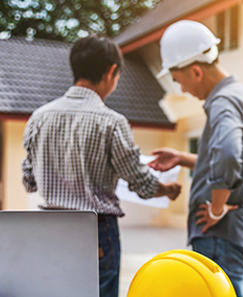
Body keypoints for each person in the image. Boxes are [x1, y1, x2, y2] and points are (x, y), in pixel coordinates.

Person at [22, 36, 181, 297]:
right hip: (96, 230)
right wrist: (168, 190)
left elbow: (30, 181)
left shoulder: (39, 117)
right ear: (111, 72)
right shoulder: (112, 122)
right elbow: (140, 183)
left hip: (50, 227)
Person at [149, 20, 243, 297]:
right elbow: (226, 156)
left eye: (179, 81)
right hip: (231, 237)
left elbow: (227, 154)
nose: (182, 90)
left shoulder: (223, 102)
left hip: (219, 237)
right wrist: (183, 158)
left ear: (196, 71)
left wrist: (215, 208)